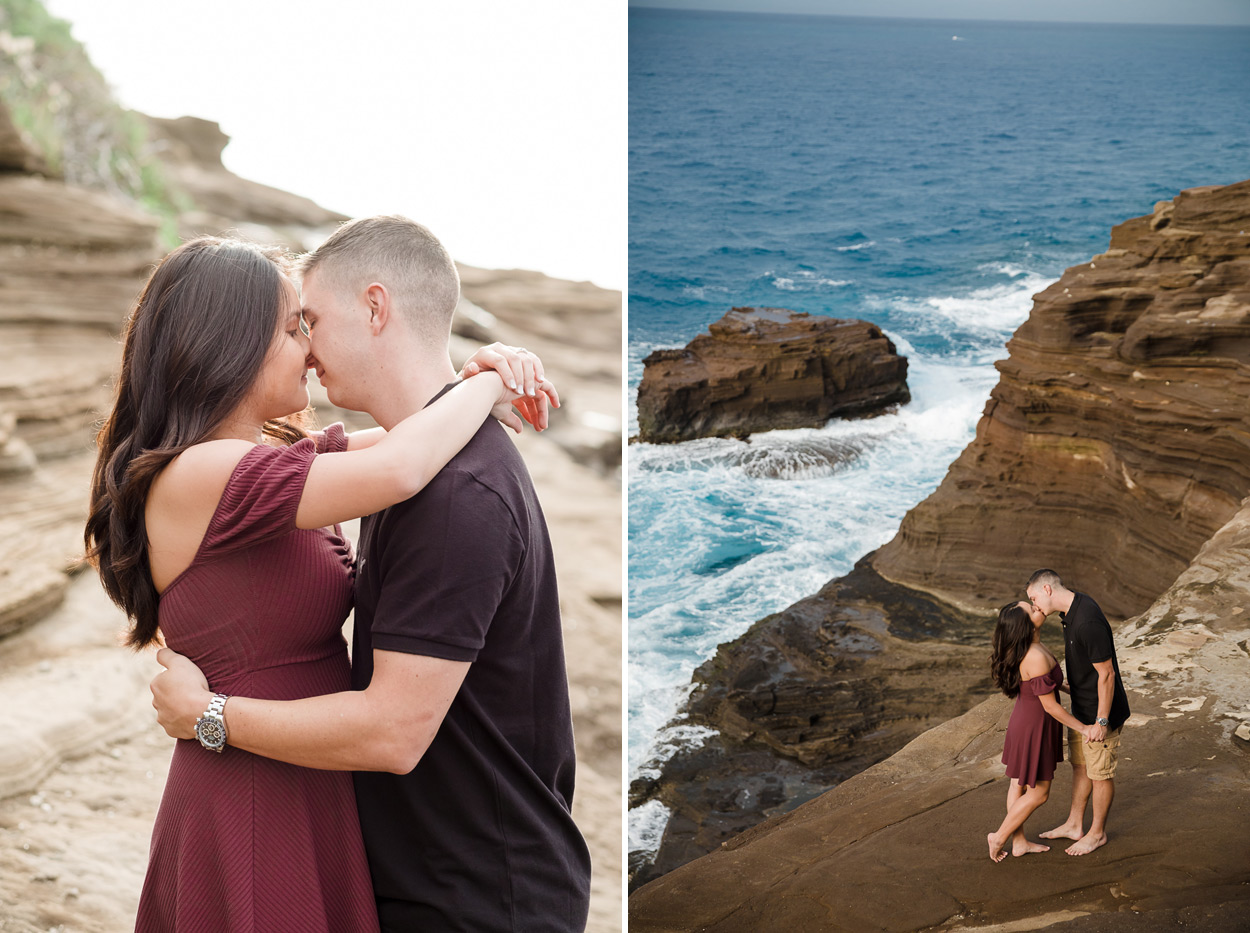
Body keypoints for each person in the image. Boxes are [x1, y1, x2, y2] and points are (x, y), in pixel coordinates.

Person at [84, 235, 553, 932]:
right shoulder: (199, 474)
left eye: (307, 323)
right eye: (289, 327)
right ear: (228, 343)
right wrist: (489, 381)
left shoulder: (266, 464)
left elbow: (401, 440)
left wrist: (474, 382)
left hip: (308, 774)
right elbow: (399, 467)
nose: (306, 346)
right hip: (250, 789)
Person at [1025, 569, 1131, 856]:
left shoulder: (1086, 621)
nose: (1034, 605)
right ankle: (1074, 824)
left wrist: (1101, 721)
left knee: (1100, 774)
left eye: (1033, 598)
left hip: (1100, 715)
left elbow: (1106, 674)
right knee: (1081, 766)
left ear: (1047, 589)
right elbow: (1088, 668)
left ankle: (1097, 833)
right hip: (1083, 708)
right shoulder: (1070, 614)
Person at [986, 601, 1095, 862]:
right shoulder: (1033, 655)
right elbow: (1051, 708)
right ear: (1025, 625)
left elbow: (1045, 687)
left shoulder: (1032, 646)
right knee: (1039, 793)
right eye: (1032, 609)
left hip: (1026, 722)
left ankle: (1020, 842)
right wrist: (1083, 728)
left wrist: (1070, 689)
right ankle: (999, 836)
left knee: (1018, 784)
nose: (1038, 607)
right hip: (1034, 728)